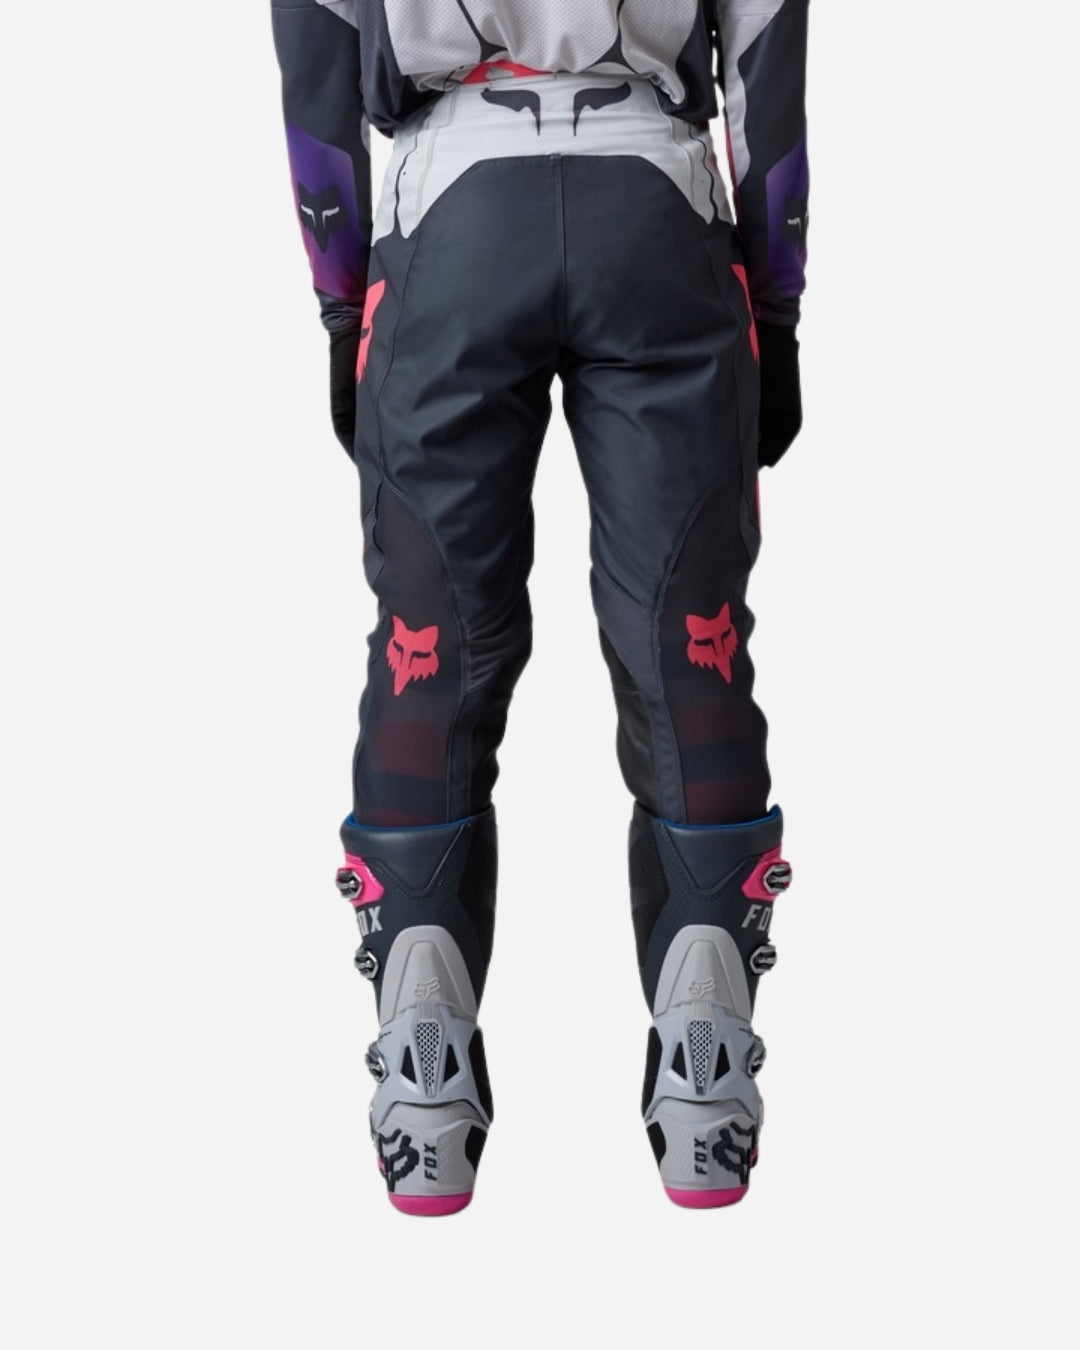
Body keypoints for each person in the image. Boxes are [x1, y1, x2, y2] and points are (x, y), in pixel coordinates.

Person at [270, 0, 808, 1215]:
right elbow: (768, 60)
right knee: (691, 645)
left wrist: (342, 304)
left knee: (429, 649)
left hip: (448, 217)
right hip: (657, 211)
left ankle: (424, 1092)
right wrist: (775, 306)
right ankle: (706, 1092)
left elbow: (313, 60)